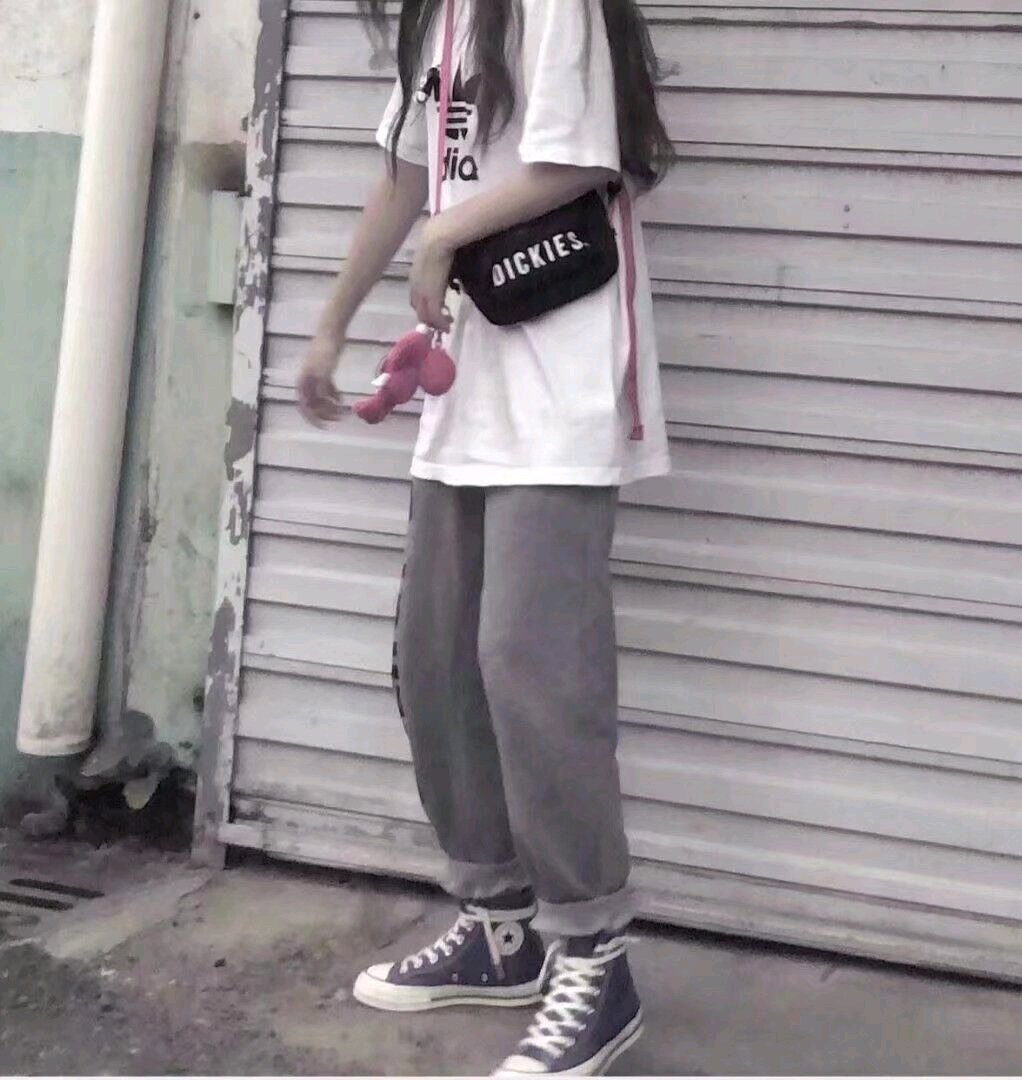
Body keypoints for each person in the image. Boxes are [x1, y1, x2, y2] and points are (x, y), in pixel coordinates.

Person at [296, 0, 673, 1073]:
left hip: (563, 385)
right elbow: (409, 174)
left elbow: (582, 158)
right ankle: (501, 926)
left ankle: (595, 955)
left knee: (531, 667)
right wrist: (329, 325)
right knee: (438, 664)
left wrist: (446, 235)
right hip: (469, 394)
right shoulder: (442, 17)